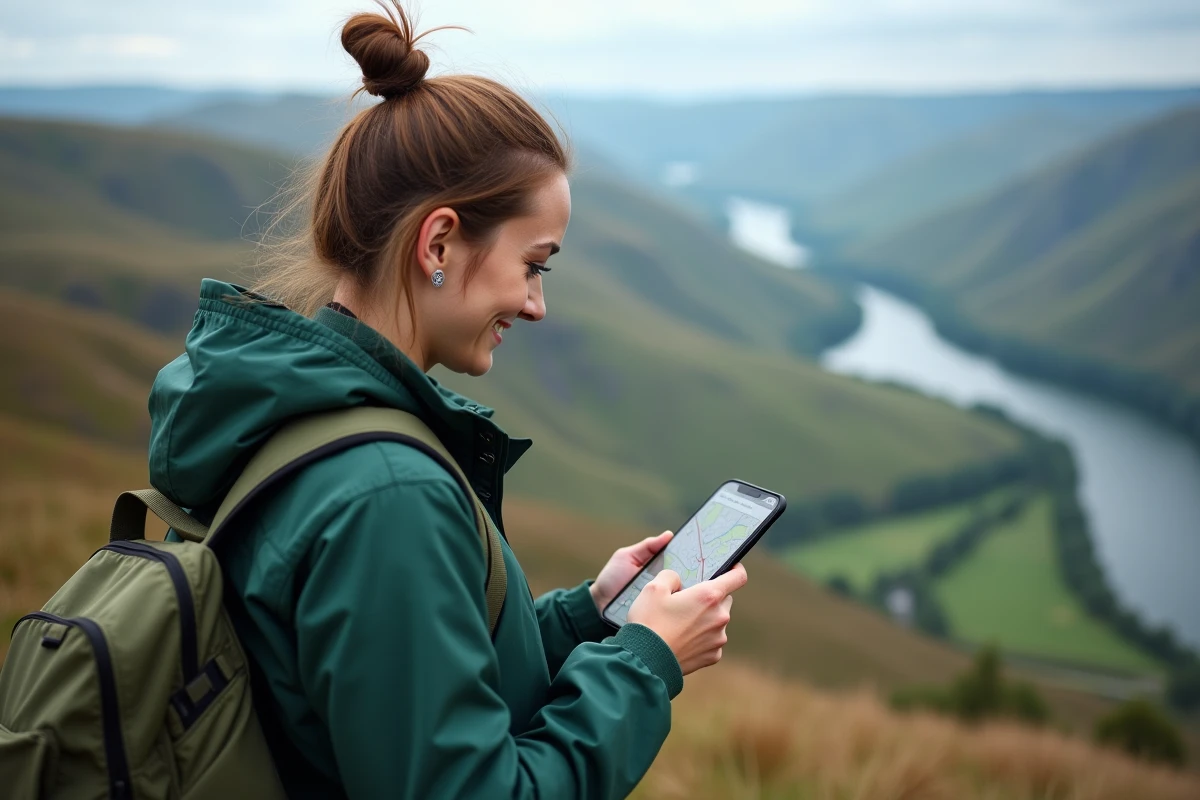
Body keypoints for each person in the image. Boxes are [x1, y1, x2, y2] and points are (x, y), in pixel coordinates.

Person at [147, 3, 748, 797]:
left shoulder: (293, 415)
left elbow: (395, 687)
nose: (536, 304)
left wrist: (587, 619)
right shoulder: (388, 494)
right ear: (437, 244)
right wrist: (646, 664)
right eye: (535, 265)